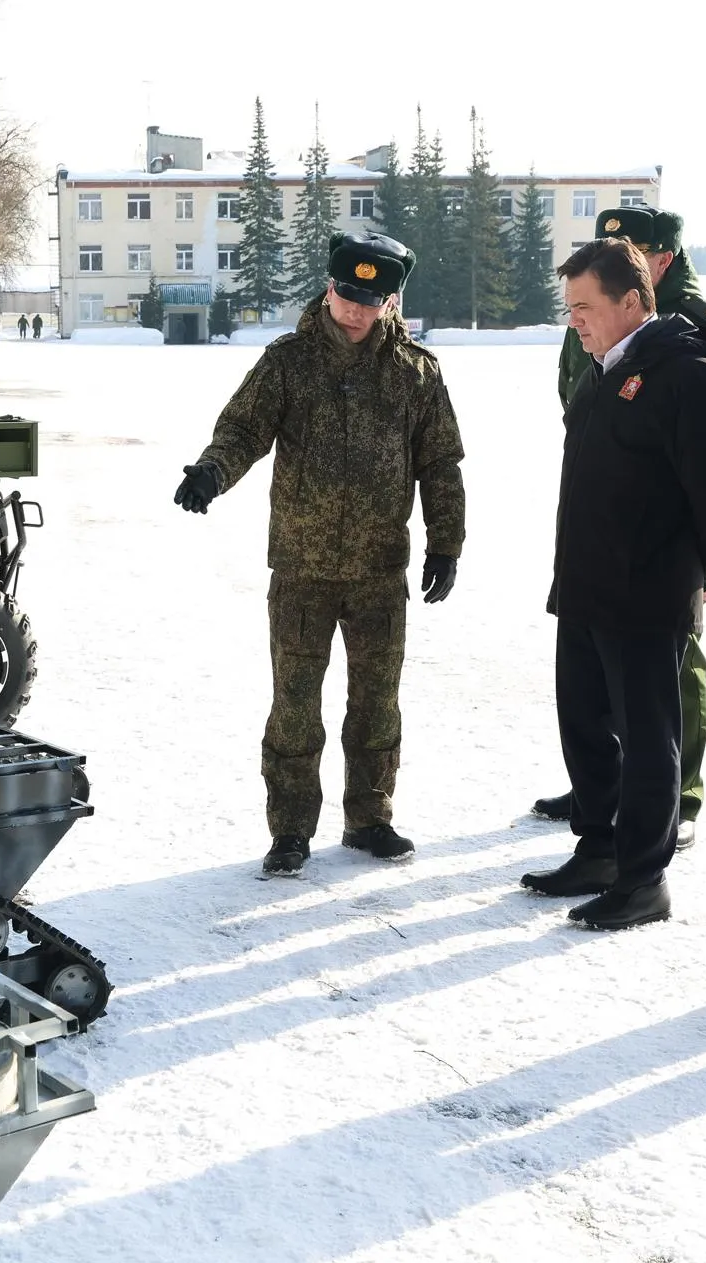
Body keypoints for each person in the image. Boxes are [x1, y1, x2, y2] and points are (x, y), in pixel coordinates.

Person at [174, 231, 466, 878]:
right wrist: (212, 472)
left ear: (391, 302)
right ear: (329, 288)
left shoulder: (415, 371)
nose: (355, 311)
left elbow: (440, 463)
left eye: (371, 301)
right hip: (302, 567)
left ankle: (369, 817)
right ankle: (290, 831)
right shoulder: (289, 362)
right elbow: (243, 430)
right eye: (346, 295)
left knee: (377, 704)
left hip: (379, 570)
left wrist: (447, 542)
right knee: (295, 706)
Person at [519, 238, 706, 929]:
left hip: (646, 597)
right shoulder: (604, 371)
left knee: (649, 743)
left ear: (631, 301)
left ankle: (643, 879)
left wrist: (695, 575)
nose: (575, 322)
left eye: (585, 307)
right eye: (569, 308)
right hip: (585, 587)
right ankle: (598, 849)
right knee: (585, 727)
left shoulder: (688, 374)